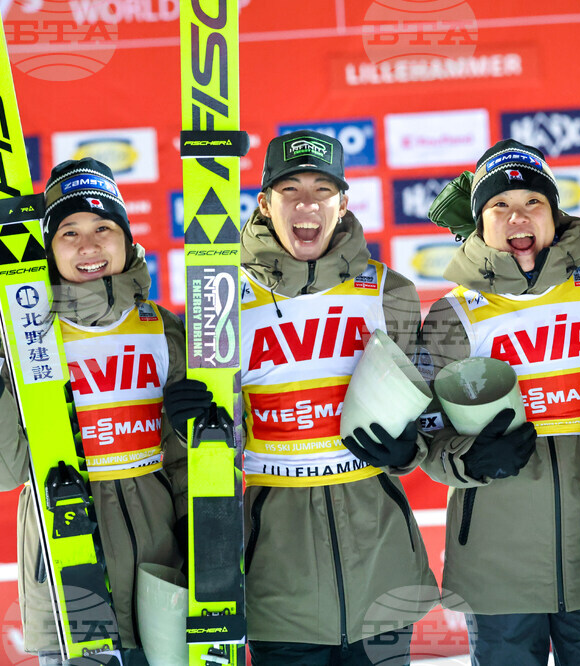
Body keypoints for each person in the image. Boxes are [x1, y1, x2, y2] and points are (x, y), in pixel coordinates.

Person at [164, 129, 437, 665]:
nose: (307, 204)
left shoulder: (391, 291)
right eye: (290, 190)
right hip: (276, 575)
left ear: (343, 203)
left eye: (322, 190)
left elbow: (427, 421)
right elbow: (218, 435)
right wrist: (189, 425)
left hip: (382, 571)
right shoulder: (224, 298)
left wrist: (411, 450)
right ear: (265, 203)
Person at [0, 158, 187, 665]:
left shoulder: (165, 331)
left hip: (162, 575)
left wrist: (200, 545)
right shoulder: (28, 344)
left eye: (103, 228)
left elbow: (191, 463)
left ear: (126, 237)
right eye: (68, 233)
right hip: (68, 577)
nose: (89, 246)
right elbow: (6, 472)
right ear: (49, 250)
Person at [418, 139, 580, 665]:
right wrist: (464, 459)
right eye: (500, 205)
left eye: (532, 203)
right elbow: (426, 435)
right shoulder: (453, 314)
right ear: (480, 222)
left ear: (554, 212)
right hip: (496, 560)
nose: (517, 218)